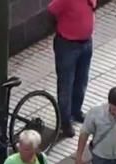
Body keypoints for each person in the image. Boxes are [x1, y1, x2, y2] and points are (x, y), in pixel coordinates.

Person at [48, 0, 97, 138]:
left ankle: (76, 111)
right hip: (67, 45)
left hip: (86, 42)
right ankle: (65, 121)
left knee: (81, 80)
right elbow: (51, 12)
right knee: (66, 84)